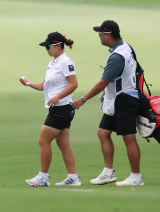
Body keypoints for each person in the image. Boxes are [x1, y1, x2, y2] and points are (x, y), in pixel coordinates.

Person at [71, 20, 144, 186]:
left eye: (100, 34)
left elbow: (103, 83)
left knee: (129, 138)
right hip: (117, 99)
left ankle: (136, 177)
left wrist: (83, 99)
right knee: (103, 133)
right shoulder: (125, 47)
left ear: (108, 34)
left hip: (124, 99)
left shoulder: (117, 56)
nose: (99, 37)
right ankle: (108, 172)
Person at [20, 32, 80, 187]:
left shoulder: (66, 62)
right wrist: (29, 84)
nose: (46, 49)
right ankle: (73, 178)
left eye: (48, 46)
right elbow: (45, 85)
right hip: (58, 108)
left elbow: (73, 84)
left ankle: (43, 177)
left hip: (62, 108)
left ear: (58, 46)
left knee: (43, 140)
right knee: (63, 144)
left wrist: (58, 97)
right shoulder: (53, 63)